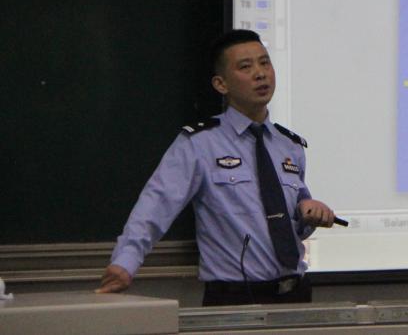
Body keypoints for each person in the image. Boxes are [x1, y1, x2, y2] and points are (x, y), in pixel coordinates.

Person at [97, 29, 335, 305]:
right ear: (221, 84)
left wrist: (308, 214)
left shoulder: (289, 145)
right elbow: (156, 204)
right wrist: (125, 262)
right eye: (245, 67)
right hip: (235, 297)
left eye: (265, 63)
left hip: (295, 293)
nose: (260, 74)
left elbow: (290, 224)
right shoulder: (199, 143)